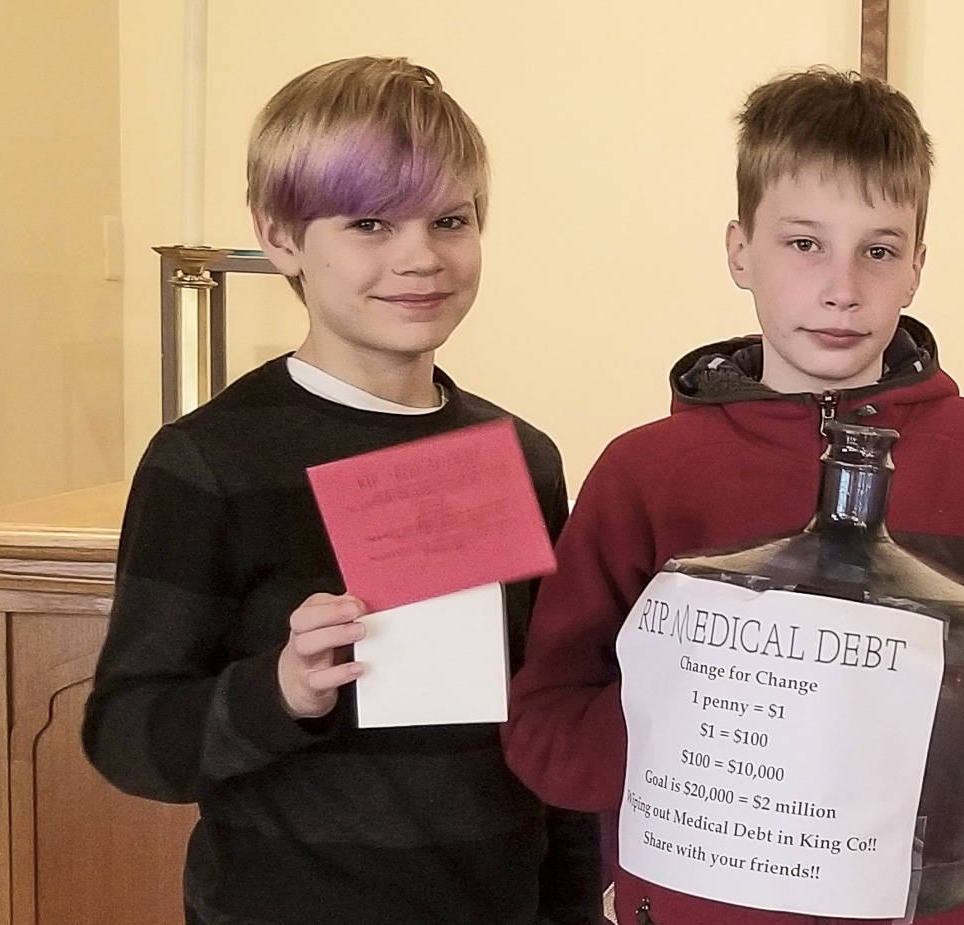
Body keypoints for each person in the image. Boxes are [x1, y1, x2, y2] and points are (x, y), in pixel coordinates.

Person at [503, 67, 964, 925]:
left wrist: (909, 719)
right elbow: (547, 726)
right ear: (737, 250)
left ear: (916, 267)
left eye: (879, 248)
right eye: (804, 244)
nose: (843, 286)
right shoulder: (644, 474)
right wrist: (730, 730)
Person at [82, 56, 600, 925]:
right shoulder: (208, 462)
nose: (421, 257)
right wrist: (278, 690)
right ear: (281, 235)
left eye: (450, 219)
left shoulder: (521, 456)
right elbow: (126, 736)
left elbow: (556, 718)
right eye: (369, 222)